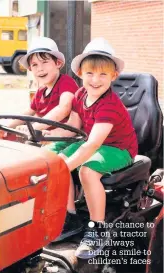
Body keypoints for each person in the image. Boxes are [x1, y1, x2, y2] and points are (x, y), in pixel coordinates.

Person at [44, 37, 138, 259]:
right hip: (91, 142)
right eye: (90, 73)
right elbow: (74, 129)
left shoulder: (110, 106)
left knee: (86, 170)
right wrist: (46, 136)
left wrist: (67, 165)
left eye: (103, 74)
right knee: (52, 160)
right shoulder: (80, 95)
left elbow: (93, 144)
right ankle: (70, 216)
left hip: (118, 148)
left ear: (114, 76)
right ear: (80, 73)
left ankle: (98, 227)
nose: (95, 80)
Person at [0, 37, 78, 139]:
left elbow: (63, 108)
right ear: (30, 68)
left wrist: (35, 127)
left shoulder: (66, 83)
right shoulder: (41, 91)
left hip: (59, 137)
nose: (40, 69)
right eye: (35, 65)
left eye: (44, 62)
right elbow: (28, 113)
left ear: (58, 63)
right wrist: (6, 127)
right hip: (39, 136)